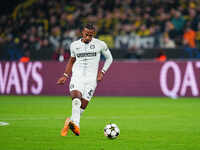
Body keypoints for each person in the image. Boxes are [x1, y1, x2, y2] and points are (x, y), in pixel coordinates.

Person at [56, 23, 113, 136]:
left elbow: (109, 58)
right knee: (76, 101)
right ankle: (76, 125)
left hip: (91, 80)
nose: (88, 37)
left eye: (91, 35)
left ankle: (69, 121)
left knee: (82, 107)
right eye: (86, 34)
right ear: (82, 33)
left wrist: (102, 72)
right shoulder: (74, 45)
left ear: (94, 34)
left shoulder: (100, 44)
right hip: (77, 77)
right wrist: (65, 75)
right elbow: (71, 60)